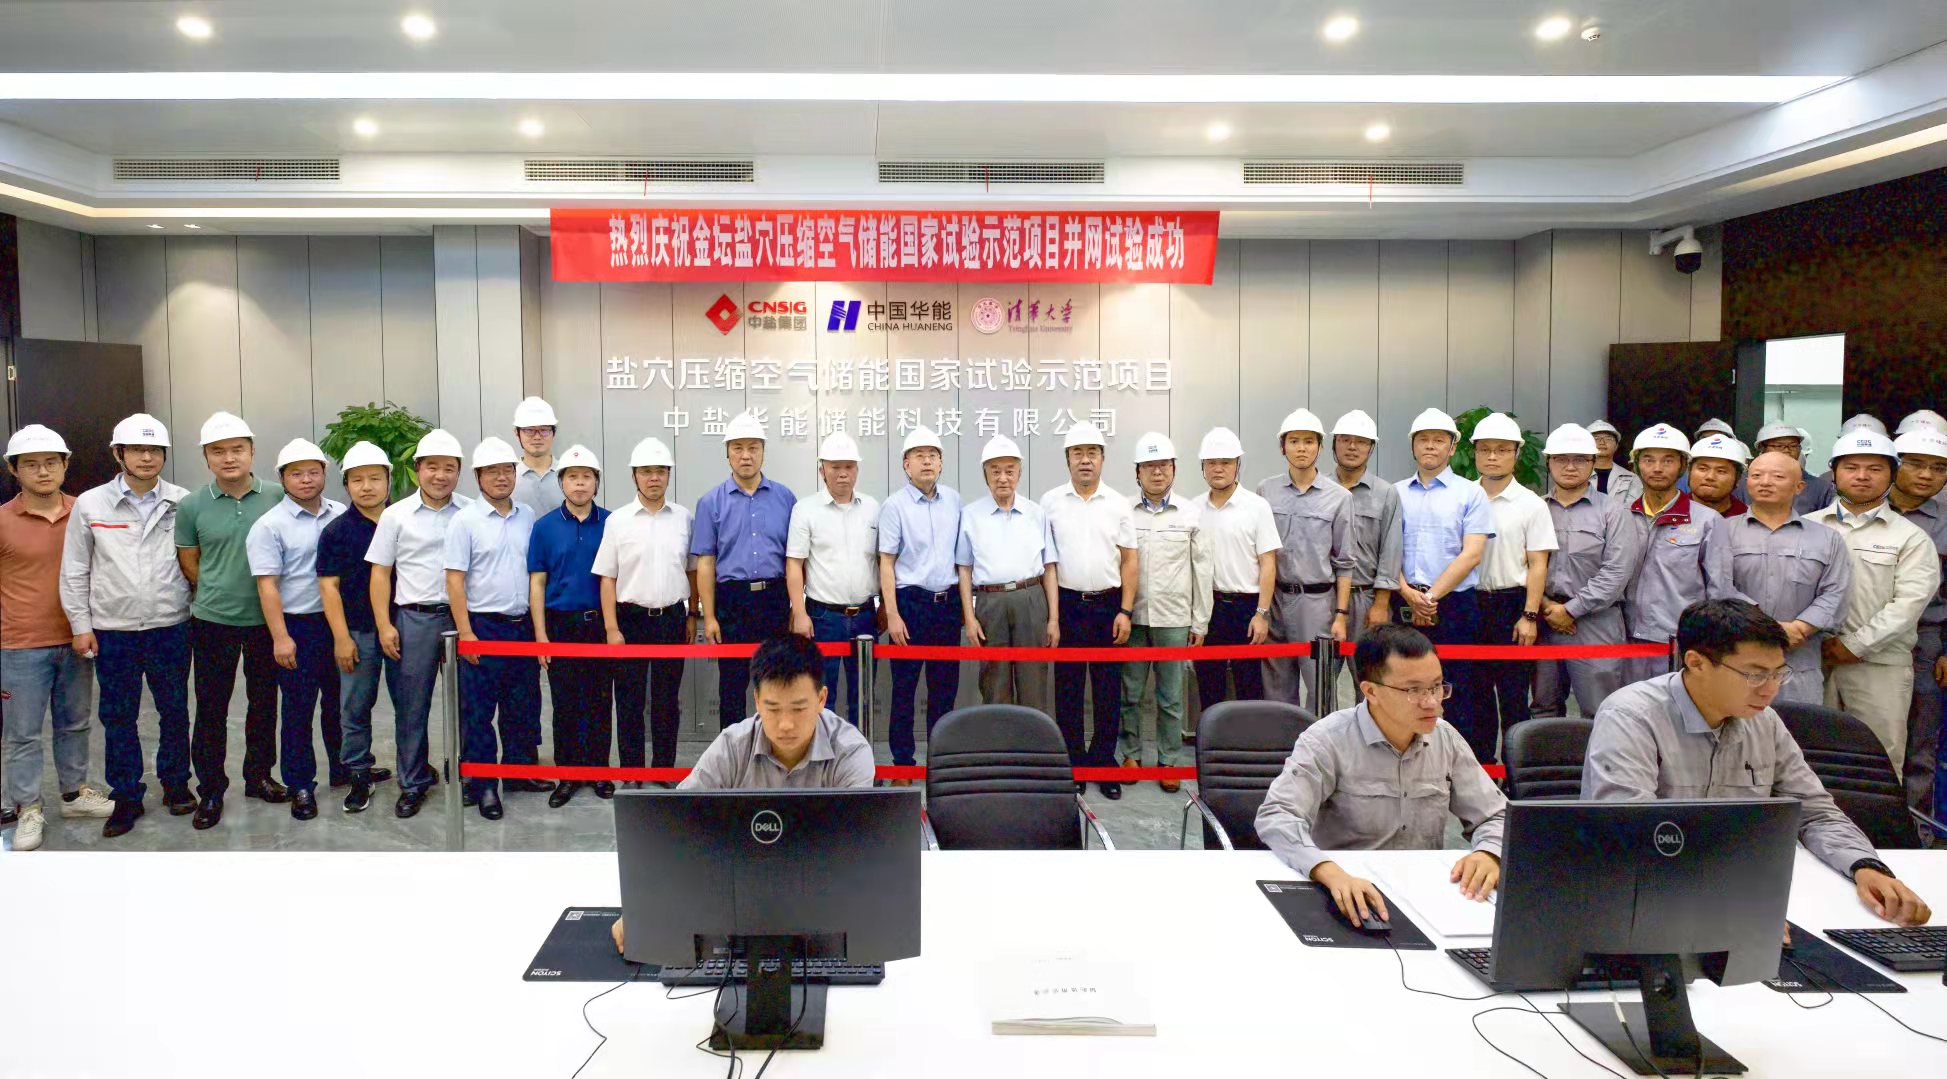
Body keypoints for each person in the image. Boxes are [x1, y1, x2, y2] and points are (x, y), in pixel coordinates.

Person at [1582, 599, 1931, 925]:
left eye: (1778, 673)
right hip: (1650, 904)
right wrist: (1717, 907)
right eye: (1755, 675)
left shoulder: (1764, 722)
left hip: (1748, 890)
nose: (1770, 689)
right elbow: (1627, 834)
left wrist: (1865, 866)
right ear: (1696, 663)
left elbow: (1816, 813)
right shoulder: (1631, 717)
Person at [609, 633, 874, 955]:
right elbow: (675, 822)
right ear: (757, 700)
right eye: (773, 709)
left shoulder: (850, 752)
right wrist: (643, 905)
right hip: (736, 897)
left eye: (799, 708)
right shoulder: (733, 745)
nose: (786, 724)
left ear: (821, 699)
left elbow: (856, 851)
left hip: (824, 900)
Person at [1254, 623, 1506, 924]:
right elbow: (1278, 815)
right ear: (1371, 691)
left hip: (1424, 895)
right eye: (1413, 690)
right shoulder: (1327, 740)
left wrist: (1488, 853)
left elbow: (1496, 815)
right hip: (1347, 894)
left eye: (1436, 687)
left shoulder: (1445, 738)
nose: (1431, 702)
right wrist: (1327, 870)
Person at [61, 413, 193, 838]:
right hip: (112, 630)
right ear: (118, 454)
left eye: (154, 450)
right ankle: (126, 796)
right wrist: (80, 625)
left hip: (170, 625)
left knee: (175, 710)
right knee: (119, 716)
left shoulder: (183, 501)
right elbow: (75, 569)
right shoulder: (91, 504)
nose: (147, 457)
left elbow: (196, 563)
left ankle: (176, 784)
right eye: (137, 449)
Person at [3, 425, 111, 849]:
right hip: (19, 645)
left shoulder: (85, 511)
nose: (43, 471)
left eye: (51, 462)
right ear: (14, 470)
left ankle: (74, 794)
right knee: (22, 733)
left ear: (66, 464)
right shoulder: (2, 520)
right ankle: (27, 807)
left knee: (75, 723)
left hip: (78, 639)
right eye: (31, 464)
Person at [1809, 430, 1940, 777]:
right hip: (1811, 661)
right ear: (1833, 472)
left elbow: (1908, 605)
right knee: (1806, 758)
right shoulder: (1806, 527)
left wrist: (1854, 645)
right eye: (1851, 467)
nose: (1862, 476)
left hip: (1879, 666)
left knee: (1877, 761)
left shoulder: (1911, 537)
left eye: (1875, 469)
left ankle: (1875, 818)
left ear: (1892, 475)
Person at [176, 411, 283, 829]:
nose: (229, 458)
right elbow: (190, 561)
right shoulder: (192, 505)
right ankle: (211, 789)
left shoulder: (277, 496)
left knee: (264, 703)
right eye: (218, 451)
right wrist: (218, 590)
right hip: (213, 620)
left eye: (237, 449)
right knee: (211, 708)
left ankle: (259, 776)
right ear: (206, 457)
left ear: (252, 451)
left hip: (267, 621)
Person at [366, 428, 473, 818]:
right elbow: (380, 573)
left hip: (463, 618)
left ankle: (466, 777)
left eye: (449, 468)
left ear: (459, 471)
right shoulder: (395, 515)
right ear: (417, 470)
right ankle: (412, 783)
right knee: (412, 706)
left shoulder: (471, 512)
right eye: (432, 467)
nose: (440, 476)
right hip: (414, 618)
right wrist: (384, 624)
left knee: (467, 703)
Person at [245, 438, 347, 821]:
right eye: (296, 474)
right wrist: (281, 637)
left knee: (339, 703)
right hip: (298, 627)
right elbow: (267, 586)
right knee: (298, 709)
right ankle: (301, 784)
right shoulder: (269, 525)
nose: (306, 480)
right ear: (283, 478)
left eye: (313, 472)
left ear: (324, 474)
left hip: (337, 623)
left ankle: (344, 767)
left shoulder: (340, 513)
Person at [445, 437, 546, 820]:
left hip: (521, 626)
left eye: (507, 470)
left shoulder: (527, 516)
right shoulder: (464, 521)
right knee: (479, 711)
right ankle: (484, 784)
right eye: (492, 472)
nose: (501, 478)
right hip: (483, 626)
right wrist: (466, 632)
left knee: (522, 705)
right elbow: (454, 580)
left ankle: (519, 773)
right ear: (478, 477)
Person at [1042, 421, 1138, 800]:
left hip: (1108, 606)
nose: (1085, 460)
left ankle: (1103, 762)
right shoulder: (1050, 502)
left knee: (1106, 689)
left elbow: (1129, 560)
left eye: (1092, 453)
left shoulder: (1118, 503)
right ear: (1067, 459)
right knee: (1067, 689)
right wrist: (1053, 616)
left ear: (1102, 459)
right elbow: (1048, 564)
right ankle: (1074, 762)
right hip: (1067, 604)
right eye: (1078, 453)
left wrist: (1125, 610)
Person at [1394, 407, 1497, 763]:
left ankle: (1457, 767)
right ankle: (1406, 760)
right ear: (1412, 445)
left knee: (1457, 688)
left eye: (1439, 440)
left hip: (1454, 604)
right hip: (1404, 601)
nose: (1430, 446)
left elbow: (1472, 554)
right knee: (1405, 685)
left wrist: (1431, 597)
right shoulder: (1396, 493)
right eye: (1423, 439)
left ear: (1452, 447)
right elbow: (1386, 552)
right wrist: (1408, 593)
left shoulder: (1471, 493)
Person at [594, 437, 696, 777]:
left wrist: (692, 613)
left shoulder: (683, 518)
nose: (654, 478)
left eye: (660, 471)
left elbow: (692, 571)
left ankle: (664, 771)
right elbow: (607, 578)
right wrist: (611, 628)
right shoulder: (618, 520)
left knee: (667, 701)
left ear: (669, 475)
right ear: (634, 476)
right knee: (629, 701)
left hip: (672, 617)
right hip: (630, 619)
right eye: (646, 471)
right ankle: (633, 772)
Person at [1531, 425, 1643, 717]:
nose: (1570, 467)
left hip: (1596, 622)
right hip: (1545, 620)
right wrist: (1547, 606)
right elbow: (1522, 564)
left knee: (1600, 710)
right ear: (1548, 462)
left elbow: (1616, 572)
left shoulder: (1613, 511)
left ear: (1593, 463)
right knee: (1543, 707)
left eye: (1580, 459)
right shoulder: (1536, 509)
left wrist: (1571, 610)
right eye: (1561, 459)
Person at [693, 411, 797, 726]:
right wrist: (709, 616)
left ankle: (777, 748)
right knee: (732, 686)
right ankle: (733, 752)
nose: (746, 455)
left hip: (774, 598)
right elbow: (706, 563)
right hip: (732, 601)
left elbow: (795, 559)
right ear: (727, 454)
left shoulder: (785, 498)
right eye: (737, 448)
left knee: (776, 684)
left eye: (753, 447)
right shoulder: (710, 502)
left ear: (763, 452)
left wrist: (796, 607)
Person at [1119, 432, 1210, 790]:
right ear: (1137, 472)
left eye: (1163, 466)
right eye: (1149, 466)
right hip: (1134, 618)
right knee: (1130, 693)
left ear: (1174, 469)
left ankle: (1169, 760)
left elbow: (1202, 570)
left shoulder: (1190, 513)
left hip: (1174, 619)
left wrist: (1200, 620)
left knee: (1171, 698)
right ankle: (1131, 753)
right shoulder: (1124, 511)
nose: (1157, 472)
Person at [1727, 451, 1851, 703]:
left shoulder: (1826, 538)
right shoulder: (1722, 531)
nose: (1765, 482)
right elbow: (1717, 586)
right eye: (1757, 475)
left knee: (1798, 726)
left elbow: (1835, 592)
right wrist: (1768, 629)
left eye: (1778, 476)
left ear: (1799, 487)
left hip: (1800, 661)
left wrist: (1800, 628)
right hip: (1736, 659)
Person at [527, 445, 612, 808]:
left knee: (599, 701)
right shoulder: (544, 527)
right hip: (560, 625)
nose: (580, 484)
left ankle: (599, 771)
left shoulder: (612, 522)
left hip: (600, 624)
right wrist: (541, 636)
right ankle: (568, 775)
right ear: (561, 483)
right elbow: (537, 583)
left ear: (596, 483)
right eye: (572, 477)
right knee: (564, 704)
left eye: (586, 477)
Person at [1621, 423, 1737, 686]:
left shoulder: (1707, 520)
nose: (1657, 468)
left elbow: (1719, 589)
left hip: (1679, 642)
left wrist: (1708, 641)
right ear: (1636, 466)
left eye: (1668, 460)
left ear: (1683, 466)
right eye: (1648, 460)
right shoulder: (1620, 514)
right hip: (1624, 640)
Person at [316, 440, 397, 814]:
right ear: (346, 484)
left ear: (388, 481)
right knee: (355, 707)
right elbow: (328, 587)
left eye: (375, 478)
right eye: (357, 479)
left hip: (401, 629)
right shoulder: (336, 531)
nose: (367, 487)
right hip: (359, 633)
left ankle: (414, 765)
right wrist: (341, 638)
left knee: (410, 704)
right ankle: (358, 773)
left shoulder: (404, 521)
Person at [878, 426, 963, 777]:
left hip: (948, 604)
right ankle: (902, 765)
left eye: (933, 456)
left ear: (941, 463)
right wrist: (893, 615)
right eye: (919, 456)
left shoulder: (955, 501)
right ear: (906, 464)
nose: (927, 461)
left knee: (944, 690)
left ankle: (940, 764)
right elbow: (886, 562)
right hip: (910, 604)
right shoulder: (894, 506)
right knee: (904, 689)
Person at [1469, 413, 1556, 739]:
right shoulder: (1463, 496)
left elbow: (1538, 564)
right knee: (1475, 693)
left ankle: (1514, 764)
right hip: (1470, 603)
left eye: (1502, 449)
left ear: (1516, 453)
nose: (1492, 456)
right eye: (1485, 449)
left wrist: (1529, 616)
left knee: (1513, 693)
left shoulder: (1531, 504)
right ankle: (1480, 765)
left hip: (1511, 605)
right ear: (1475, 452)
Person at [956, 434, 1057, 713]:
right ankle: (998, 737)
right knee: (994, 683)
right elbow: (964, 570)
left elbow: (1050, 568)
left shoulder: (1036, 513)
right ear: (985, 475)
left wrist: (1053, 619)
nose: (1003, 478)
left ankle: (1032, 740)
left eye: (1009, 471)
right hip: (990, 603)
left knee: (1033, 681)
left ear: (1019, 473)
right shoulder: (971, 515)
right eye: (995, 471)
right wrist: (969, 618)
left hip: (1031, 598)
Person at [1255, 409, 1350, 705]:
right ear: (1282, 446)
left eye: (1309, 442)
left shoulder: (1339, 497)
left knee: (1320, 689)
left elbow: (1345, 562)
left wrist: (1341, 615)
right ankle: (1281, 737)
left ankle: (1321, 738)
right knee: (1276, 688)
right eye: (1294, 441)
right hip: (1275, 600)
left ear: (1320, 447)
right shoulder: (1266, 491)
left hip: (1316, 603)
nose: (1301, 448)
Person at [786, 431, 880, 725]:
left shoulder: (873, 508)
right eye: (835, 467)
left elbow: (883, 562)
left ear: (857, 469)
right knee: (821, 694)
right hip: (823, 617)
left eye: (849, 466)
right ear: (822, 470)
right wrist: (799, 613)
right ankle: (822, 753)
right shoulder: (805, 510)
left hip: (866, 615)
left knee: (862, 696)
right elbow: (794, 564)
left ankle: (858, 754)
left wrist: (886, 608)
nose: (842, 474)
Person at [1887, 426, 1947, 833]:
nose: (1927, 475)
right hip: (1858, 641)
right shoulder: (1862, 508)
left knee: (1921, 742)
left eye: (1939, 468)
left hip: (1927, 641)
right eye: (1916, 464)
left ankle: (1915, 834)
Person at [1194, 426, 1280, 705]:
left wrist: (1261, 614)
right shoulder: (1193, 509)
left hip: (1247, 608)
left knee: (1249, 685)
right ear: (1203, 466)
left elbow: (1268, 563)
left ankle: (1248, 735)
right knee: (1209, 685)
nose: (1218, 469)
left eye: (1226, 462)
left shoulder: (1257, 507)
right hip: (1209, 608)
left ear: (1237, 465)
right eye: (1211, 462)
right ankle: (1209, 735)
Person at [1326, 409, 1401, 667]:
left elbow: (1390, 551)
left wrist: (1381, 603)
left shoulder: (1386, 493)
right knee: (1322, 679)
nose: (1352, 447)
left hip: (1366, 598)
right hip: (1325, 598)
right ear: (1334, 444)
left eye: (1361, 441)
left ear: (1371, 447)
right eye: (1345, 440)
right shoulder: (1319, 489)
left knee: (1369, 678)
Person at [1748, 420, 1832, 514]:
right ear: (1762, 448)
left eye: (1793, 446)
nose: (1787, 450)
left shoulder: (1820, 487)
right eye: (1779, 446)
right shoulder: (1744, 483)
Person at [510, 396, 564, 518]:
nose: (537, 437)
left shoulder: (567, 474)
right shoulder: (509, 478)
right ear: (517, 433)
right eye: (529, 430)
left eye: (544, 430)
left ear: (554, 433)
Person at [1687, 433, 1749, 518]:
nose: (1710, 477)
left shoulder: (1747, 518)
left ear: (1738, 479)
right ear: (1689, 472)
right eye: (1703, 469)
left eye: (1721, 471)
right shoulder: (1670, 510)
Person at [1586, 420, 1641, 503]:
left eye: (1608, 438)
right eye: (1596, 438)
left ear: (1616, 446)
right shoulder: (1575, 475)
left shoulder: (1630, 478)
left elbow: (1632, 508)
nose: (1602, 442)